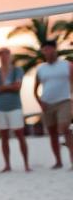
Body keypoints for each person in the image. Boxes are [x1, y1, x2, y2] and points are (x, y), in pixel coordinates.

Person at [34, 39, 73, 169]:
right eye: (45, 50)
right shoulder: (41, 69)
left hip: (64, 101)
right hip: (47, 104)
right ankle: (58, 161)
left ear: (54, 49)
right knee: (52, 133)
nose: (47, 52)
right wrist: (40, 102)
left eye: (49, 49)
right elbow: (35, 89)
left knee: (64, 128)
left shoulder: (67, 65)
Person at [0, 47, 28, 172]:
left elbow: (17, 87)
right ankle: (7, 165)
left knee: (20, 135)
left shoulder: (17, 70)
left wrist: (2, 88)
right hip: (0, 108)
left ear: (10, 56)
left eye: (6, 54)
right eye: (1, 55)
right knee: (4, 137)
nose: (4, 57)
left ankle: (26, 164)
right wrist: (8, 87)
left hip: (15, 107)